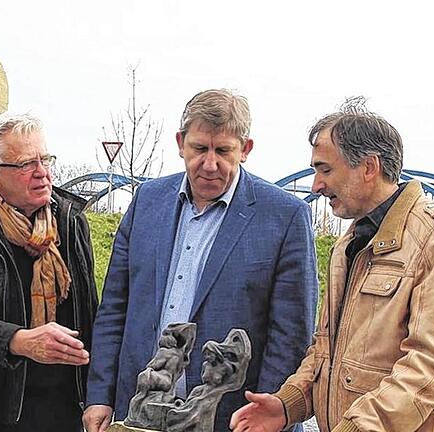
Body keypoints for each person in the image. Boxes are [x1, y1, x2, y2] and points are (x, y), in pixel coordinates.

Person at [84, 89, 318, 432]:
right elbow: (114, 309)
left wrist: (266, 415)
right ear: (181, 143)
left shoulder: (284, 217)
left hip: (231, 418)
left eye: (223, 151)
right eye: (199, 149)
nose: (210, 164)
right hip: (138, 413)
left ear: (246, 149)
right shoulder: (146, 203)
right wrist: (99, 396)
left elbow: (291, 335)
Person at [230, 99, 434, 432]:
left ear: (369, 167)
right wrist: (288, 403)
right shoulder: (349, 243)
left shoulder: (433, 238)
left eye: (325, 169)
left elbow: (429, 368)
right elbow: (326, 347)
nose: (315, 186)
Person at [0, 113, 99, 432]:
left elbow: (91, 309)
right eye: (26, 164)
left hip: (68, 409)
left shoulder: (70, 221)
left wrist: (99, 392)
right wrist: (20, 340)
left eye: (45, 159)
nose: (43, 174)